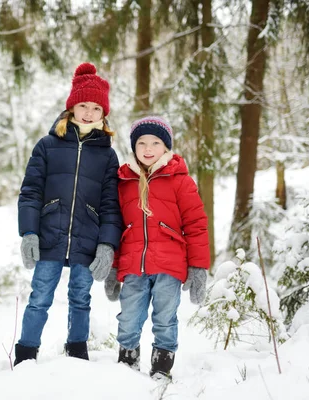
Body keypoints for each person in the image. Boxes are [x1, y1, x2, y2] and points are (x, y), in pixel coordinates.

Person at [14, 63, 123, 366]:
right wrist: (29, 232)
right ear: (72, 107)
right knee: (40, 297)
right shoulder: (48, 146)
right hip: (50, 234)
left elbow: (111, 205)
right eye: (83, 105)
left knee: (81, 298)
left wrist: (107, 244)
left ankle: (77, 351)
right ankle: (25, 353)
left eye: (96, 108)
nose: (89, 113)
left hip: (87, 239)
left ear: (104, 114)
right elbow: (31, 192)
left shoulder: (108, 156)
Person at [103, 115, 210, 380]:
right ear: (133, 147)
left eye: (155, 143)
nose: (148, 149)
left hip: (170, 265)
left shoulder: (180, 180)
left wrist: (198, 267)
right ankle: (126, 365)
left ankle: (162, 368)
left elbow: (196, 225)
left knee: (165, 318)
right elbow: (116, 226)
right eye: (141, 143)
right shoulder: (124, 181)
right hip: (132, 264)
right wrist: (113, 267)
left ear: (166, 147)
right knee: (128, 318)